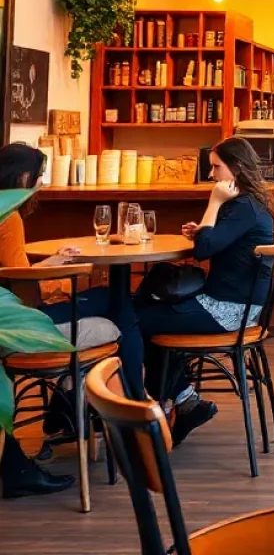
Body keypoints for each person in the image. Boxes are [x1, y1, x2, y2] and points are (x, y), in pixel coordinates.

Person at [136, 137, 274, 447]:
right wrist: (205, 228)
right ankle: (181, 400)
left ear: (237, 169)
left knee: (136, 320)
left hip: (228, 310)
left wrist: (212, 204)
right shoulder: (249, 203)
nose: (212, 174)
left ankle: (148, 408)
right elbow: (212, 242)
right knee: (147, 311)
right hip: (236, 305)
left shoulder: (238, 206)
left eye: (216, 167)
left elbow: (202, 252)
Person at [0, 144, 122, 499]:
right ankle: (115, 414)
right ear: (23, 178)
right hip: (20, 322)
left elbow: (13, 272)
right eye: (38, 175)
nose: (40, 182)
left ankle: (67, 411)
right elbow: (19, 281)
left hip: (12, 316)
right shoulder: (9, 218)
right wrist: (60, 274)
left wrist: (52, 262)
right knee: (115, 305)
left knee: (104, 302)